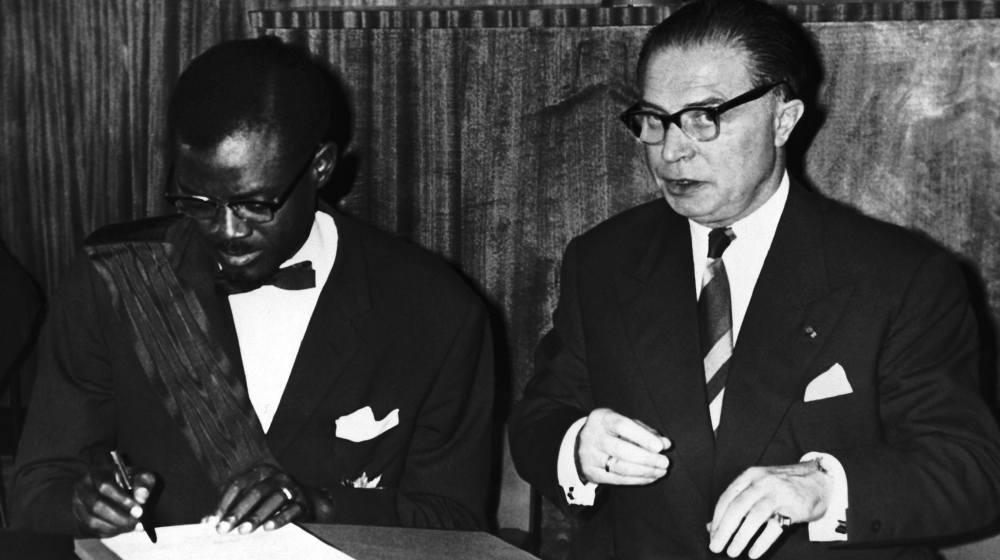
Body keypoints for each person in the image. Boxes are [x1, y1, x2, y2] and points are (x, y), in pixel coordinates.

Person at [508, 0, 1000, 558]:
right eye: (654, 119)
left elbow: (973, 467)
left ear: (783, 119)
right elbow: (539, 420)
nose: (671, 150)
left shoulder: (900, 276)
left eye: (704, 117)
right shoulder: (602, 259)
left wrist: (825, 488)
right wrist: (576, 448)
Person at [12, 36, 494, 537]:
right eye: (198, 201)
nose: (227, 230)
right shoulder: (113, 278)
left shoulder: (434, 311)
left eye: (256, 203)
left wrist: (319, 507)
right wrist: (81, 504)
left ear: (322, 167)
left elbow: (454, 524)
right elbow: (34, 488)